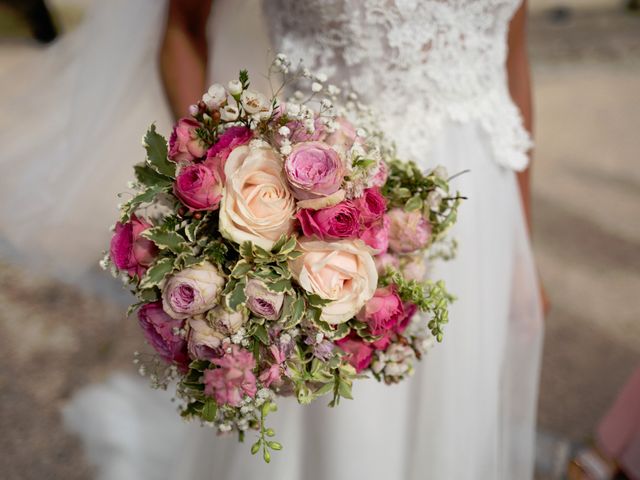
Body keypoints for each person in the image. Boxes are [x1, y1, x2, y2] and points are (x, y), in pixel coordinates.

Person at [0, 0, 545, 478]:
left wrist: (523, 246)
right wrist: (218, 190)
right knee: (342, 428)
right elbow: (183, 31)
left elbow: (510, 60)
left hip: (480, 210)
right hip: (322, 206)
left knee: (453, 413)